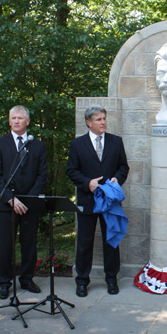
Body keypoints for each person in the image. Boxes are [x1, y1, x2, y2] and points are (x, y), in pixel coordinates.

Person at [67, 105, 129, 297]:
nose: (103, 122)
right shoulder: (77, 144)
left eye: (104, 118)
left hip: (110, 201)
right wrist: (88, 184)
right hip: (87, 200)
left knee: (111, 240)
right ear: (89, 122)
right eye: (98, 119)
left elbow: (123, 167)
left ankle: (111, 279)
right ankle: (82, 281)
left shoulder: (116, 142)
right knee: (85, 242)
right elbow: (72, 171)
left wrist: (117, 179)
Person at [0, 105, 47, 300]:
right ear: (9, 121)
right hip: (6, 204)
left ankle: (27, 279)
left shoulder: (37, 146)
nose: (16, 121)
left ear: (27, 121)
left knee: (29, 243)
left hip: (29, 204)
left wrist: (28, 199)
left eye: (20, 118)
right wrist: (11, 199)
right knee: (5, 244)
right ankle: (4, 282)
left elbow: (42, 176)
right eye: (13, 118)